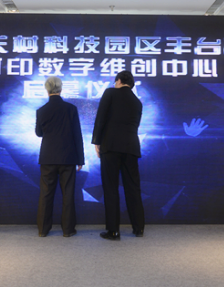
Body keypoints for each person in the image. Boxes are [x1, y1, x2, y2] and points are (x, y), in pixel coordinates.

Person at [92, 71, 144, 241]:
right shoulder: (137, 102)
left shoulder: (110, 93)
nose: (115, 84)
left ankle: (113, 231)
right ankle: (138, 227)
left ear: (119, 81)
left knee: (111, 188)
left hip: (111, 146)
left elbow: (100, 118)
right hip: (131, 147)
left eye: (115, 82)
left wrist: (97, 141)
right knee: (133, 187)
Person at [35, 77, 85, 238]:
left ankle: (43, 229)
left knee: (45, 194)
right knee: (68, 194)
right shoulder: (71, 109)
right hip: (68, 157)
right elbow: (77, 135)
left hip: (48, 157)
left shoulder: (41, 110)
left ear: (47, 89)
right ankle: (68, 230)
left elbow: (39, 133)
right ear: (61, 89)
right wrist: (80, 159)